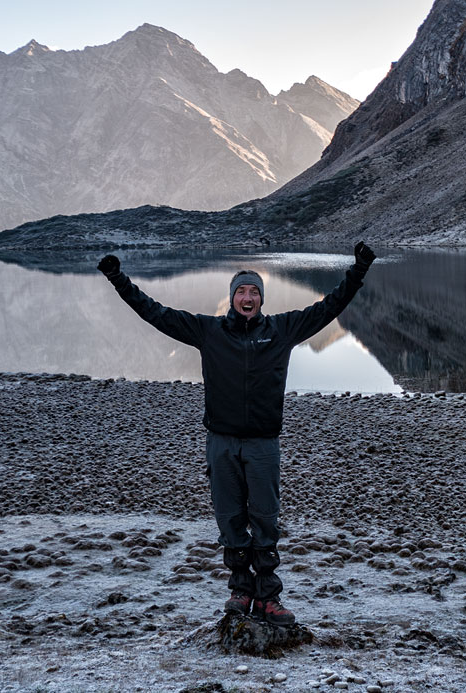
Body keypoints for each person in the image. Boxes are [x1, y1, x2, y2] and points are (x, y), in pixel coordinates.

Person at [97, 243, 375, 625]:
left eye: (254, 292)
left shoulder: (282, 330)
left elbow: (330, 306)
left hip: (263, 445)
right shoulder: (209, 332)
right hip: (221, 443)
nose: (248, 297)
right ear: (232, 298)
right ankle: (241, 591)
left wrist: (358, 269)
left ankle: (268, 598)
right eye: (242, 291)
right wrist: (118, 280)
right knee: (230, 520)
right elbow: (156, 314)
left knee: (265, 520)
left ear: (262, 299)